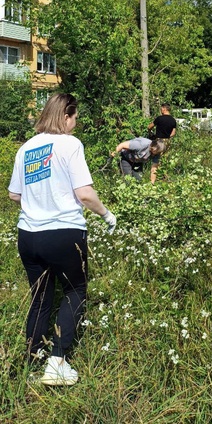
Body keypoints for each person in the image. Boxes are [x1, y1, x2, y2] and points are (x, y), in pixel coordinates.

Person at [8, 93, 117, 386]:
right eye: (75, 118)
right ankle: (57, 363)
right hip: (64, 233)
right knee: (76, 291)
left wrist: (39, 203)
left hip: (28, 236)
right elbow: (84, 193)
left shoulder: (26, 149)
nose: (76, 124)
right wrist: (107, 215)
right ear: (66, 116)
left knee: (41, 298)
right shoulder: (70, 144)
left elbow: (14, 195)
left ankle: (32, 361)